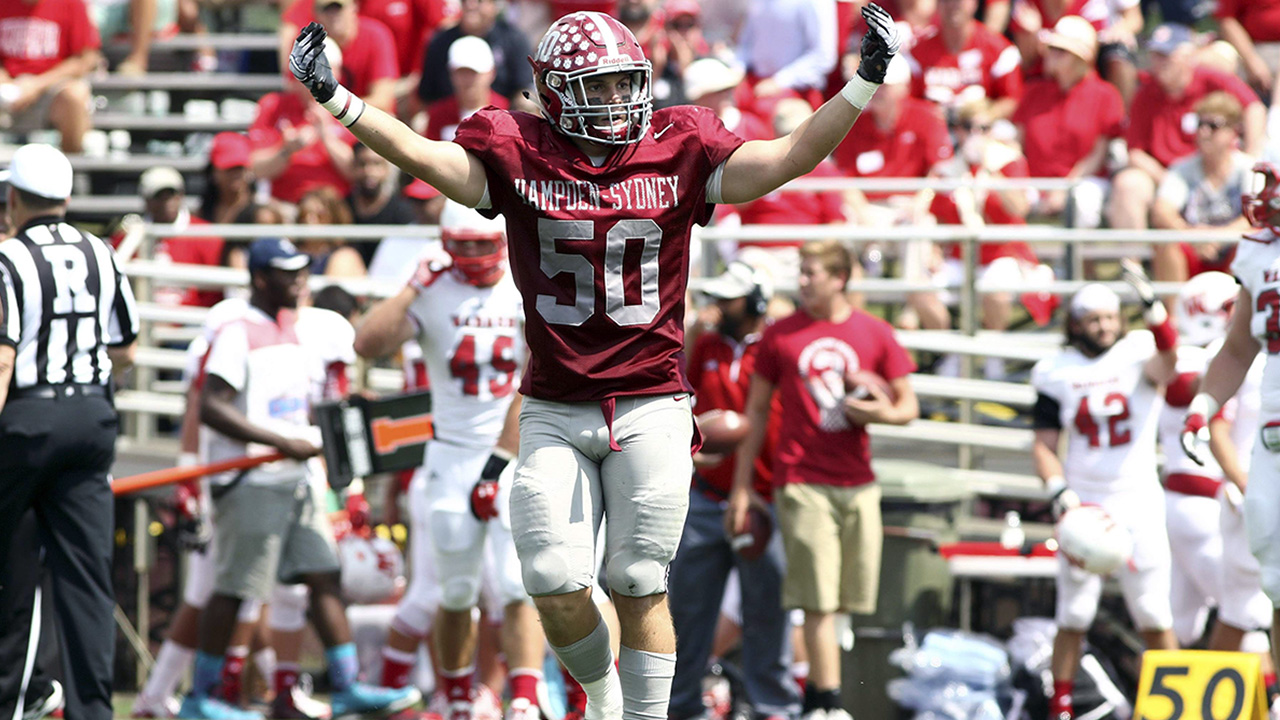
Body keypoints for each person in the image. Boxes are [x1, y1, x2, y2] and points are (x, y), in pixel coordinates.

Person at [287, 6, 900, 719]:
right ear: (550, 92)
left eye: (623, 84)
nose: (615, 101)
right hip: (554, 402)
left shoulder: (680, 142)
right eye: (596, 87)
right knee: (548, 575)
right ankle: (603, 699)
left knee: (639, 578)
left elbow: (789, 154)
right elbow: (425, 156)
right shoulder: (517, 148)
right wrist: (336, 98)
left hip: (650, 400)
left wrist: (863, 81)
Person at [177, 237, 420, 720]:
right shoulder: (237, 331)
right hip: (251, 480)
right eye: (289, 273)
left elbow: (303, 402)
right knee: (234, 588)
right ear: (261, 278)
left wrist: (342, 414)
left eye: (303, 271)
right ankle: (200, 697)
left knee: (324, 574)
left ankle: (348, 684)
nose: (300, 280)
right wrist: (281, 442)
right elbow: (211, 407)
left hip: (296, 476)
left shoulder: (298, 329)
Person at [354, 199, 546, 720]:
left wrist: (503, 458)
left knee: (513, 584)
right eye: (462, 245)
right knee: (455, 589)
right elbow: (367, 342)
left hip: (511, 452)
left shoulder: (523, 281)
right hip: (449, 454)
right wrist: (412, 286)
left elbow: (536, 377)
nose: (473, 256)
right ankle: (458, 695)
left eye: (482, 245)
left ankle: (525, 698)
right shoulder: (432, 288)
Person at [726, 240, 918, 720]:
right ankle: (828, 703)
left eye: (812, 273)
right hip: (801, 478)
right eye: (802, 272)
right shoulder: (780, 336)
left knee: (850, 601)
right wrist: (743, 487)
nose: (803, 281)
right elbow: (754, 412)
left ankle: (817, 695)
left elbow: (908, 406)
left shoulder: (874, 332)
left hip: (858, 480)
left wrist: (878, 412)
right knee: (817, 602)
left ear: (840, 278)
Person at [0, 143, 140, 720]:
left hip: (28, 420)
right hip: (91, 419)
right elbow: (126, 347)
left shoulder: (9, 258)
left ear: (12, 198)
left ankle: (13, 697)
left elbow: (3, 360)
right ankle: (93, 711)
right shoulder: (101, 253)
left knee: (11, 567)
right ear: (66, 197)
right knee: (87, 577)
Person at [1031, 269, 1180, 720]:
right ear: (1075, 323)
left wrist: (1156, 314)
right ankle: (1061, 709)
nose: (1105, 326)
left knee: (1154, 612)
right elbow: (1043, 442)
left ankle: (1169, 709)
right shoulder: (1055, 371)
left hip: (1138, 498)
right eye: (1094, 319)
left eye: (1111, 317)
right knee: (1073, 614)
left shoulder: (1138, 353)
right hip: (1087, 502)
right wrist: (1058, 490)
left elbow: (1169, 363)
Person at [668, 261, 799, 720]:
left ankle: (773, 706)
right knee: (686, 609)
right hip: (706, 494)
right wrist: (696, 450)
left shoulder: (779, 345)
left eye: (732, 298)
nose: (721, 306)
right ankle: (679, 706)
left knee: (767, 609)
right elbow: (687, 407)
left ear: (758, 300)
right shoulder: (705, 344)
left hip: (764, 497)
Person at [1182, 159, 1280, 714]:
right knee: (1278, 584)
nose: (1265, 198)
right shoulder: (1258, 251)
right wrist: (1203, 405)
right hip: (1272, 433)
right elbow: (1240, 346)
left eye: (1276, 186)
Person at [1150, 92, 1252, 283]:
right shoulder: (1181, 169)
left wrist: (1219, 237)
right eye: (1200, 124)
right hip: (1194, 249)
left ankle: (1237, 311)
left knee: (1250, 242)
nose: (1204, 132)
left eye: (1213, 125)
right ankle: (1175, 312)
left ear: (1233, 131)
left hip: (1231, 250)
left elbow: (1255, 218)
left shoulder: (1248, 168)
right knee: (1167, 241)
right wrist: (1193, 236)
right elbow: (1162, 211)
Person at [0, 0, 99, 153]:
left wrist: (37, 85)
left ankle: (71, 167)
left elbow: (86, 58)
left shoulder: (70, 4)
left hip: (51, 87)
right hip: (7, 88)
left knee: (74, 96)